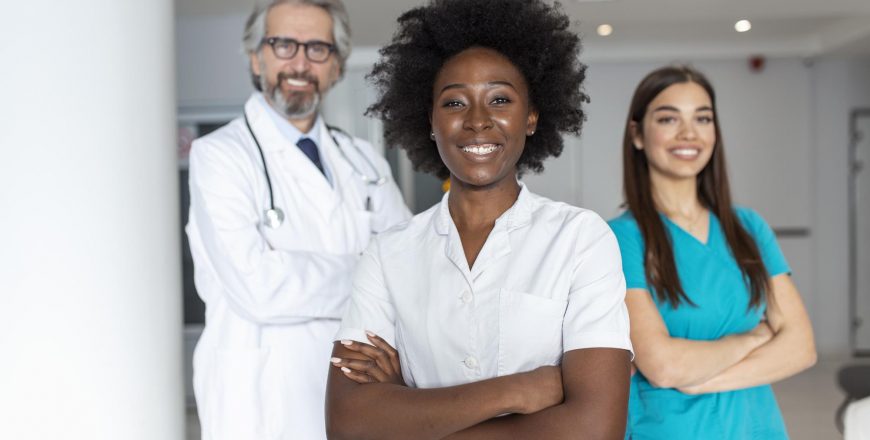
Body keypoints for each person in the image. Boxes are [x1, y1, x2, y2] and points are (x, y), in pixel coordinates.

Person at [324, 1, 633, 438]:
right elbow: (348, 425)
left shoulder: (581, 239)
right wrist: (516, 391)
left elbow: (596, 428)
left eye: (500, 99)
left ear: (531, 116)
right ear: (430, 120)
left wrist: (407, 414)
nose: (477, 121)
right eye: (454, 102)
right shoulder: (388, 253)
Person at [184, 1, 410, 438]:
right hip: (263, 400)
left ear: (337, 66)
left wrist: (304, 269)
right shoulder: (220, 156)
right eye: (284, 44)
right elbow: (258, 288)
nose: (300, 63)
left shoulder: (364, 160)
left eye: (317, 49)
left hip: (358, 393)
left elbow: (409, 268)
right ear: (257, 56)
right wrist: (368, 270)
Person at [607, 66, 817, 439]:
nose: (689, 133)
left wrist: (701, 379)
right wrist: (754, 338)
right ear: (637, 134)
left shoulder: (748, 227)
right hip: (669, 429)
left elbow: (801, 347)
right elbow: (663, 365)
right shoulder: (621, 238)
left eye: (702, 118)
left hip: (757, 428)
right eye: (669, 118)